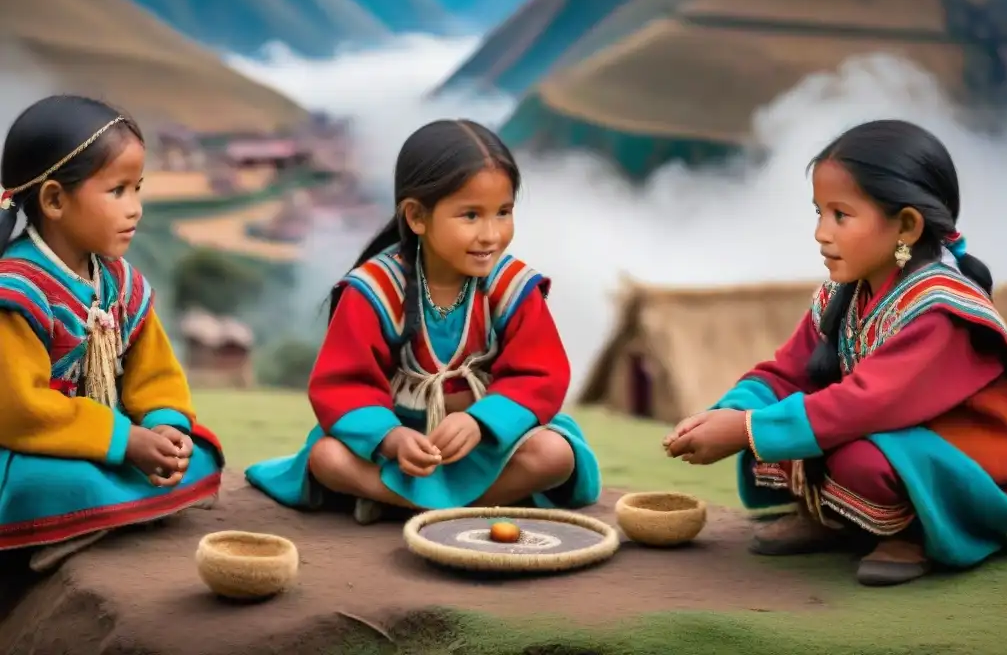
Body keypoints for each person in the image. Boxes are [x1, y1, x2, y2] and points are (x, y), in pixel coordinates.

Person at [663, 119, 1007, 586]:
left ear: (907, 225)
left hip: (961, 468)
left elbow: (863, 403)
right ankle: (838, 518)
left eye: (840, 215)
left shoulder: (941, 311)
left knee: (852, 459)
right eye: (819, 212)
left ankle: (915, 532)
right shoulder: (844, 293)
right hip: (876, 434)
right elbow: (785, 373)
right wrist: (730, 413)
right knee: (772, 433)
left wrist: (747, 430)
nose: (820, 232)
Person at [245, 119, 601, 524]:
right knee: (328, 457)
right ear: (416, 216)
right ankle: (464, 504)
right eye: (470, 215)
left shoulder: (513, 287)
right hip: (405, 447)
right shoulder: (373, 290)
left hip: (487, 446)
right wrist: (393, 439)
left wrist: (481, 423)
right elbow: (344, 385)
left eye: (503, 212)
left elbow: (539, 374)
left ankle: (398, 503)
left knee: (555, 455)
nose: (491, 234)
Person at [0, 95, 224, 571]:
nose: (136, 209)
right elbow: (20, 411)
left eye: (137, 188)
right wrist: (125, 441)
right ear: (55, 199)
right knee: (60, 484)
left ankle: (101, 512)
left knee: (199, 452)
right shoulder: (16, 290)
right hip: (28, 448)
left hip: (110, 439)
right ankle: (84, 517)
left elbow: (155, 372)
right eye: (118, 191)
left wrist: (165, 427)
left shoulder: (121, 282)